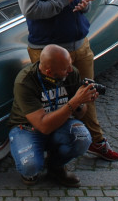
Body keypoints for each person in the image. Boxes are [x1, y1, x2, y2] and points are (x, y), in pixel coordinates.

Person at [16, 0, 118, 162]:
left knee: (88, 95)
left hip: (79, 45)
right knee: (53, 102)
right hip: (49, 51)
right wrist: (64, 1)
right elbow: (30, 10)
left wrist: (84, 4)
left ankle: (97, 141)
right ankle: (55, 155)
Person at [7, 43, 97, 187]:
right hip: (27, 128)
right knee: (30, 166)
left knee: (83, 138)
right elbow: (43, 126)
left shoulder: (71, 73)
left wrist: (82, 102)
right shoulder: (25, 81)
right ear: (49, 72)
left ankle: (55, 166)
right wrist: (74, 102)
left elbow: (80, 114)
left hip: (59, 124)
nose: (70, 70)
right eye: (64, 68)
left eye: (70, 64)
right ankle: (31, 167)